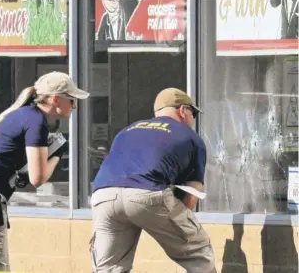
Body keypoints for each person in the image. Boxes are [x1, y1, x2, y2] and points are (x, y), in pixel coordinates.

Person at [0, 71, 90, 272]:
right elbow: (38, 178)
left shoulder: (23, 114)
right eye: (72, 100)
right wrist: (58, 153)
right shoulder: (36, 122)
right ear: (55, 99)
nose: (75, 106)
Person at [89, 88, 216, 273]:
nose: (193, 118)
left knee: (109, 268)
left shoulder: (127, 130)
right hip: (146, 192)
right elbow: (190, 199)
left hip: (103, 195)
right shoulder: (191, 138)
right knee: (198, 252)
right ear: (183, 110)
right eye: (193, 113)